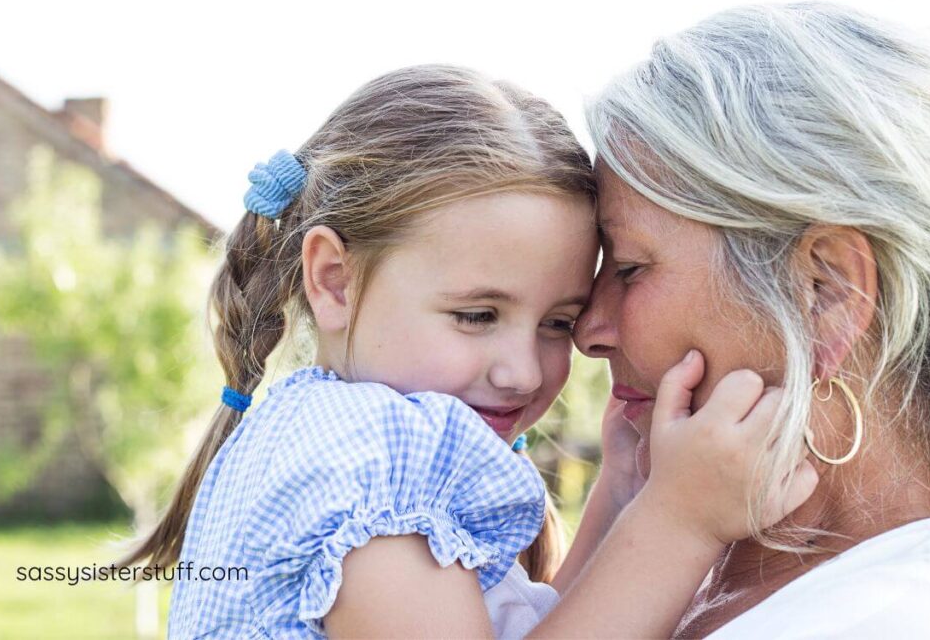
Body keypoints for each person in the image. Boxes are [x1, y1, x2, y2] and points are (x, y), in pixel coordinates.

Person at [119, 64, 816, 638]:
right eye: (477, 314)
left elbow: (542, 626)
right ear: (334, 278)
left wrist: (626, 489)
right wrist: (682, 520)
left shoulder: (324, 438)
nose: (522, 370)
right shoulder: (372, 478)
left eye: (556, 323)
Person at [576, 2, 930, 638]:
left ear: (828, 290)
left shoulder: (904, 616)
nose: (588, 330)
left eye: (628, 268)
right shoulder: (662, 573)